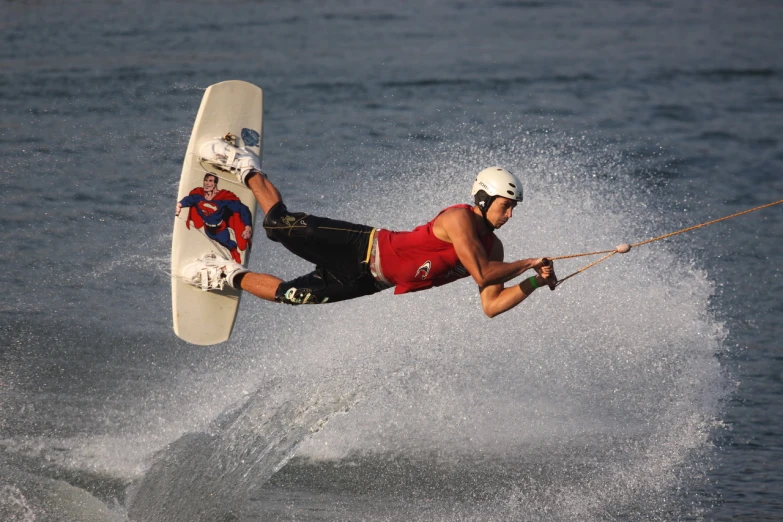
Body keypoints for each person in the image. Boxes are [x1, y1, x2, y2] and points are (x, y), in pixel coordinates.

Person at [181, 138, 556, 317]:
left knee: (292, 296)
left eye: (513, 209)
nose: (509, 216)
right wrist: (528, 263)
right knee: (277, 226)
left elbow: (491, 305)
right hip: (363, 247)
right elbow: (483, 272)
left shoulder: (496, 252)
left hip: (369, 281)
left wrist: (535, 281)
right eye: (506, 207)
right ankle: (245, 165)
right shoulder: (459, 220)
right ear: (485, 200)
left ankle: (226, 274)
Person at [175, 173, 253, 263]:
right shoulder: (199, 196)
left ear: (215, 184)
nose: (207, 183)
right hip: (207, 229)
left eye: (210, 181)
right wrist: (179, 205)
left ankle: (234, 251)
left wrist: (247, 226)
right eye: (206, 180)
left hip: (220, 229)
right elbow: (189, 199)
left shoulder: (222, 198)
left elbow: (242, 209)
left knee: (226, 242)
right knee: (215, 239)